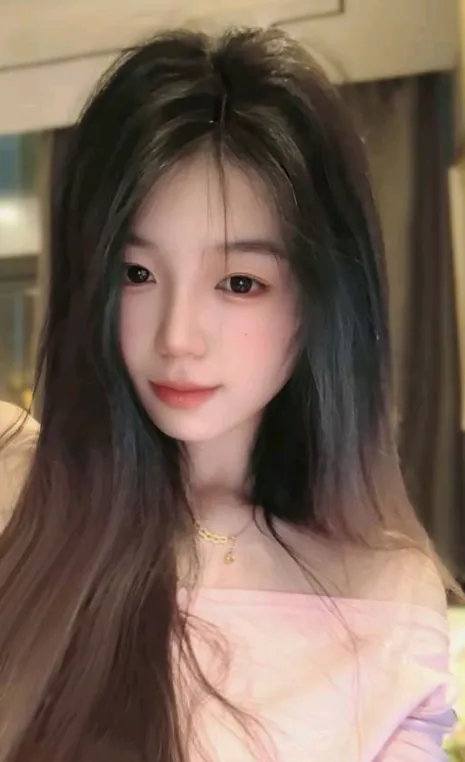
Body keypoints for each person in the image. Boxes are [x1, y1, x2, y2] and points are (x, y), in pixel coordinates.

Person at [0, 27, 458, 762]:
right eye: (137, 274)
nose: (177, 337)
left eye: (239, 282)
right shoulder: (20, 490)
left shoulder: (384, 593)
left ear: (322, 302)